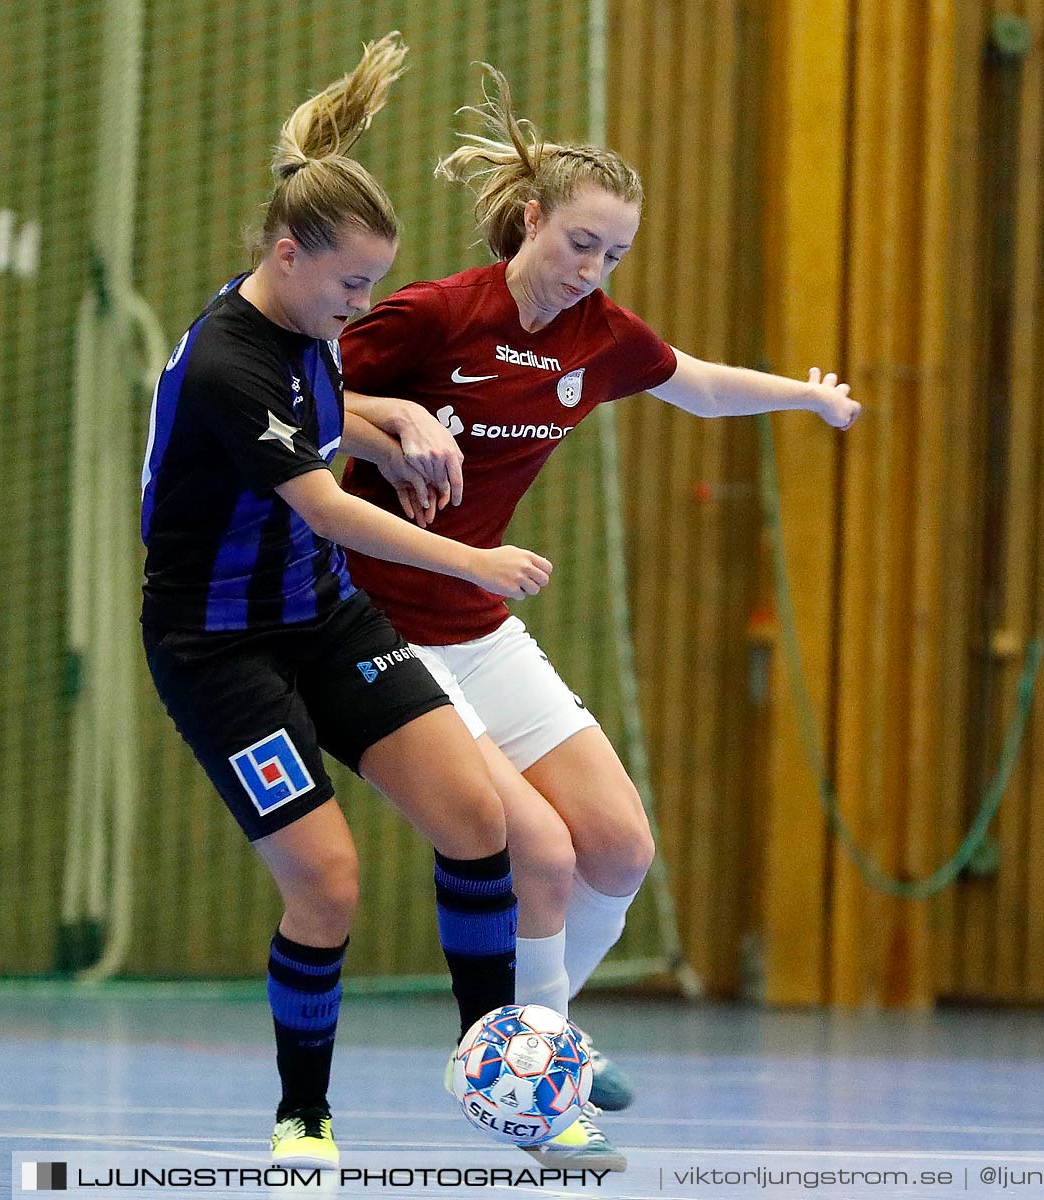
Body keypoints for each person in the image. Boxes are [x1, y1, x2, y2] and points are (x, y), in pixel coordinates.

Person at [335, 65, 861, 1170]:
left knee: (618, 847)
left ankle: (537, 1028)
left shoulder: (598, 338)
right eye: (581, 243)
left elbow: (698, 382)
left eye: (614, 254)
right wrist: (391, 423)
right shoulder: (432, 315)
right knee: (542, 854)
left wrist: (805, 397)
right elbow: (299, 397)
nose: (593, 270)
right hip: (379, 627)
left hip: (480, 627)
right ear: (530, 220)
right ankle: (524, 1089)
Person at [139, 36, 552, 1168]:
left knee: (479, 822)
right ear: (286, 254)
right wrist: (473, 560)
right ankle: (304, 1115)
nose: (363, 306)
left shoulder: (305, 330)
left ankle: (493, 1065)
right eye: (353, 285)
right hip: (220, 650)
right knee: (326, 884)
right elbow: (320, 503)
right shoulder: (229, 359)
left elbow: (327, 421)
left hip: (321, 620)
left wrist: (397, 424)